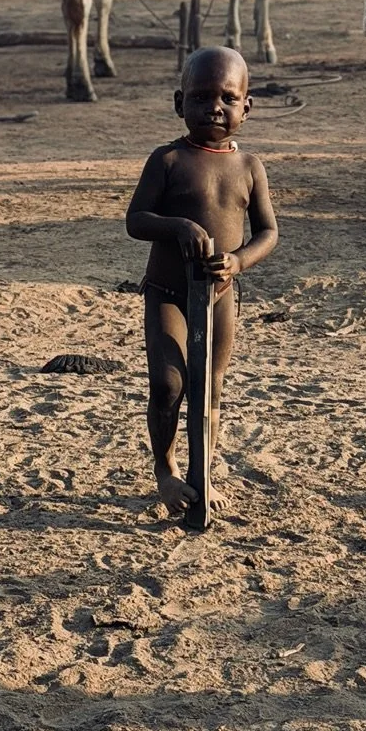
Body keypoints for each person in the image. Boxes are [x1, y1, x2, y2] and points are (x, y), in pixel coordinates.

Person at [125, 46, 279, 514]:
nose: (215, 106)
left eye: (228, 98)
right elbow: (136, 220)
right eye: (201, 97)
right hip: (168, 294)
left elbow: (268, 232)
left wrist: (238, 262)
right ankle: (166, 471)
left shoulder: (249, 167)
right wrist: (177, 227)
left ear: (246, 108)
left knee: (210, 385)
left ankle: (202, 472)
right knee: (169, 384)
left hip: (219, 294)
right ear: (179, 103)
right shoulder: (167, 160)